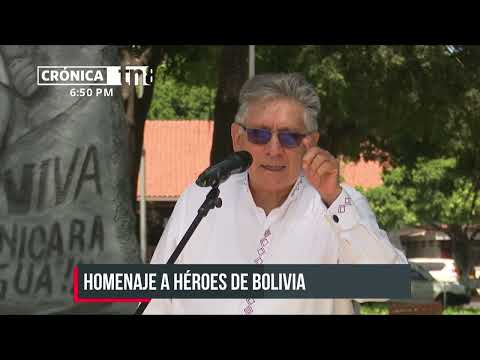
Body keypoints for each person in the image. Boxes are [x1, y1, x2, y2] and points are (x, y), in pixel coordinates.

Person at [144, 73, 407, 315]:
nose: (274, 149)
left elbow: (386, 284)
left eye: (289, 137)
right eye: (259, 135)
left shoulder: (338, 203)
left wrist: (334, 200)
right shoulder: (199, 200)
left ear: (310, 143)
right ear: (238, 138)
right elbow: (158, 302)